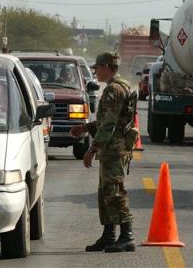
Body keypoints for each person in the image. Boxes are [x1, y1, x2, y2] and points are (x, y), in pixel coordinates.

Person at [70, 52, 135, 253]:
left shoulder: (113, 90)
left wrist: (92, 149)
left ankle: (127, 236)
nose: (95, 71)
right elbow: (108, 120)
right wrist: (86, 127)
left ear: (106, 66)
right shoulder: (121, 86)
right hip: (113, 147)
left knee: (114, 192)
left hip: (113, 148)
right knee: (105, 192)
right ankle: (109, 235)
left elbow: (109, 124)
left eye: (97, 68)